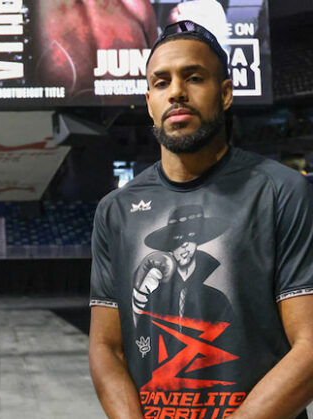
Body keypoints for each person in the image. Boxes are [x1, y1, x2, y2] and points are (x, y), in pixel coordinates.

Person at [88, 20, 313, 418]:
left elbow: (310, 346)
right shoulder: (116, 210)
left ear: (225, 93)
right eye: (161, 83)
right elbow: (107, 347)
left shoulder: (282, 191)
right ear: (149, 101)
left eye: (193, 77)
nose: (176, 92)